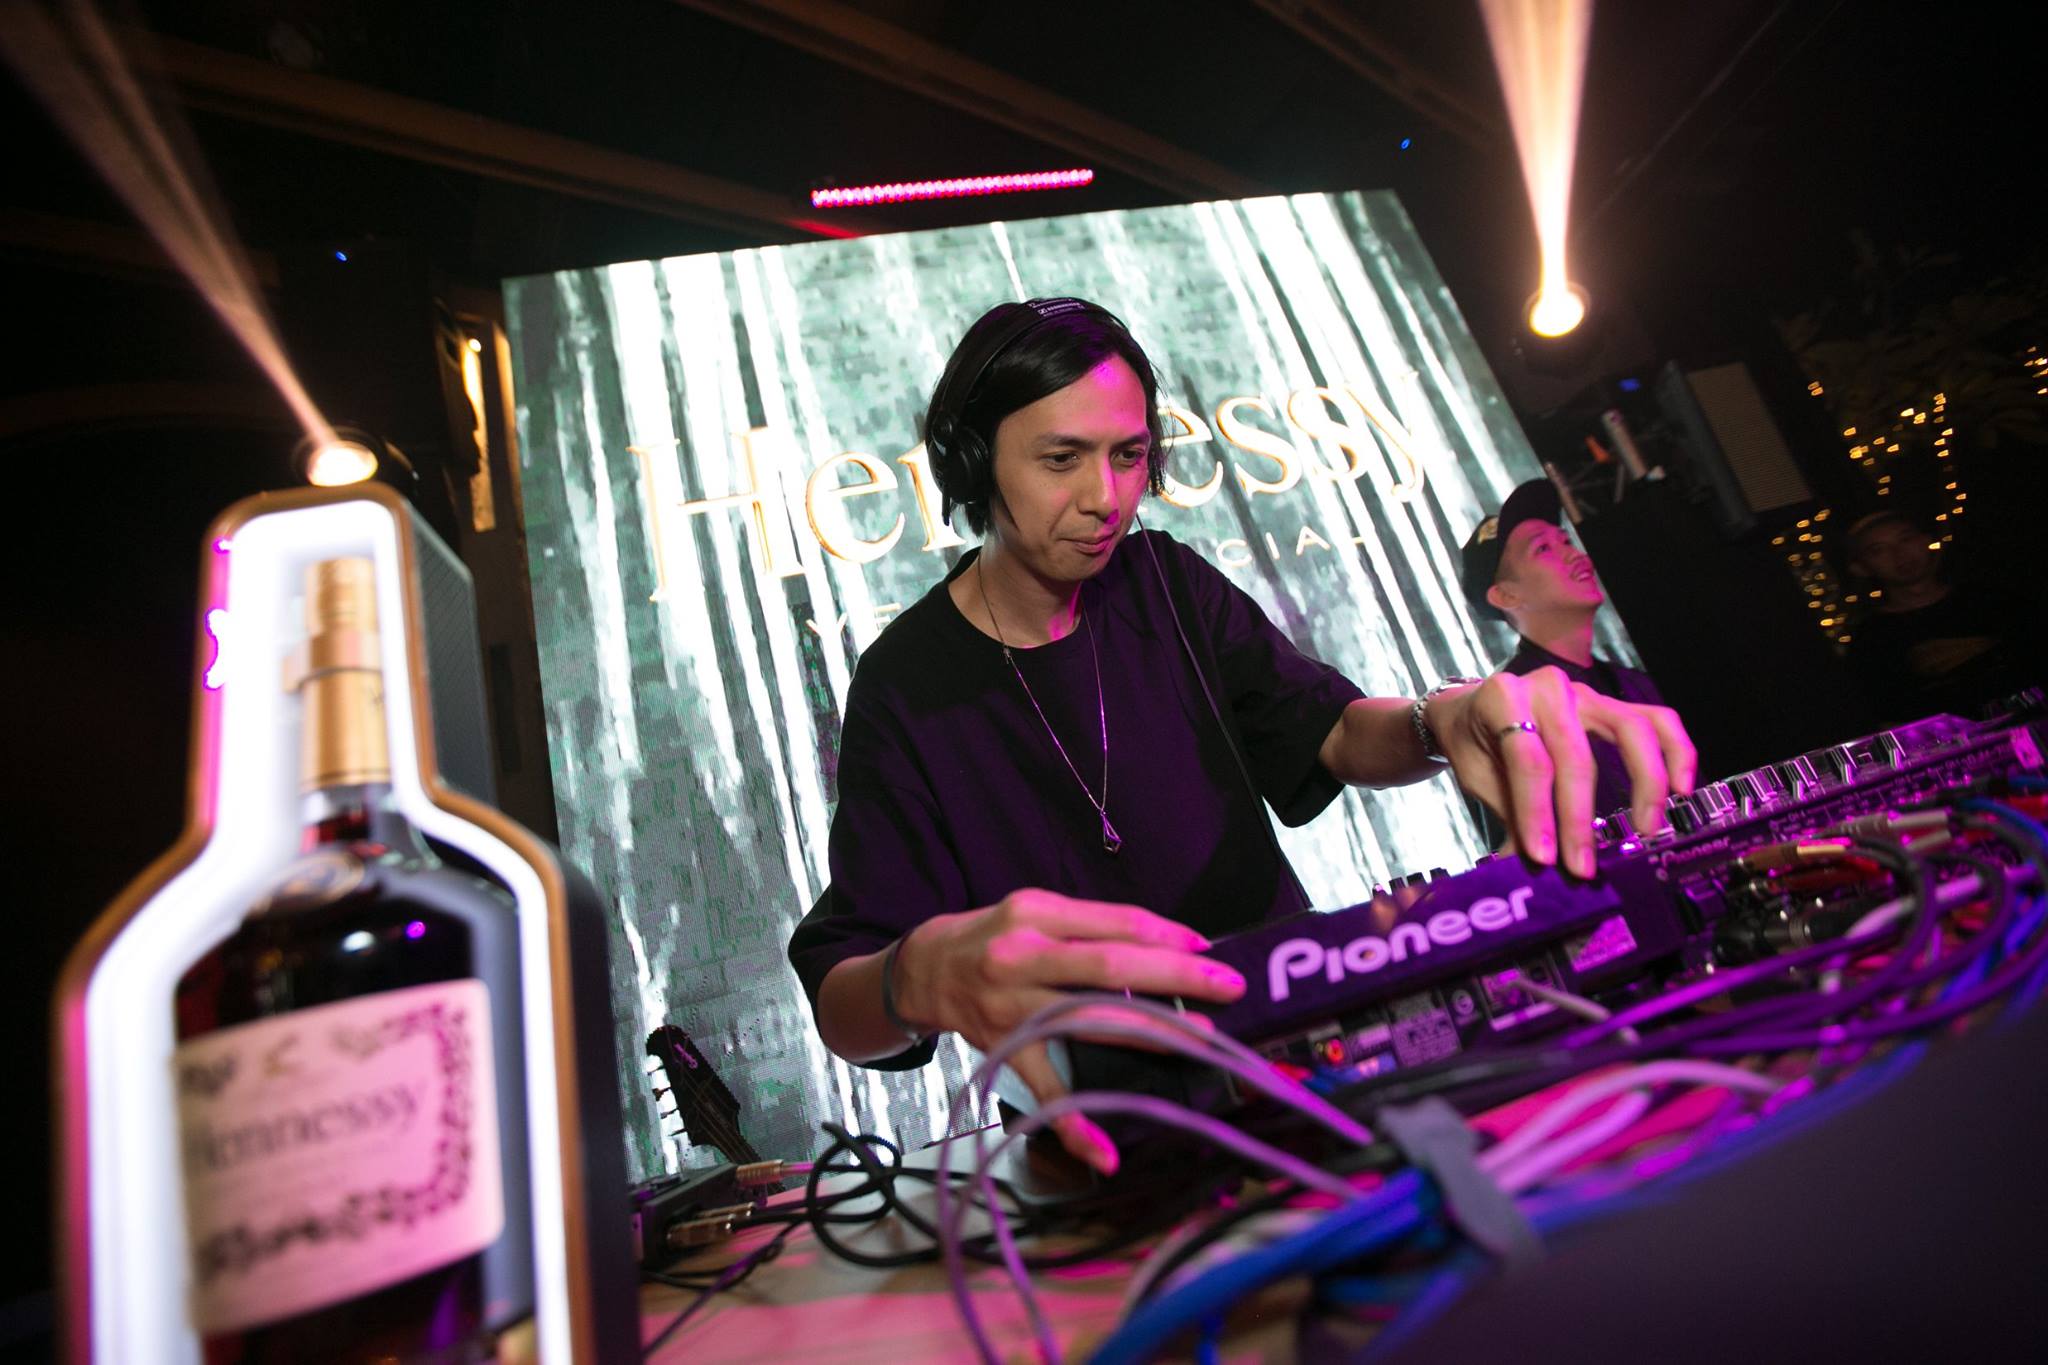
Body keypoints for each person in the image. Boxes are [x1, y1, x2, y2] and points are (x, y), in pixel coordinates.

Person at [788, 298, 1697, 1173]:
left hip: (1296, 1061)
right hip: (1104, 1134)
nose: (1107, 497)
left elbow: (1334, 734)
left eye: (1129, 455)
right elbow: (843, 1001)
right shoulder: (904, 683)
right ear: (975, 460)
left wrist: (1439, 716)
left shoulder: (1167, 581)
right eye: (1062, 458)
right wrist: (914, 977)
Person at [1459, 479, 1682, 826]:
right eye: (1543, 548)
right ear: (1506, 596)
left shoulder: (1637, 683)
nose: (1574, 554)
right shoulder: (1506, 710)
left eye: (1565, 540)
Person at [1841, 509, 2047, 725]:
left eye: (1906, 539)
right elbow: (1886, 714)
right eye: (1878, 550)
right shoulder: (1871, 639)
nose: (1899, 554)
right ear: (1861, 568)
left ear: (1926, 541)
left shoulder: (1992, 601)